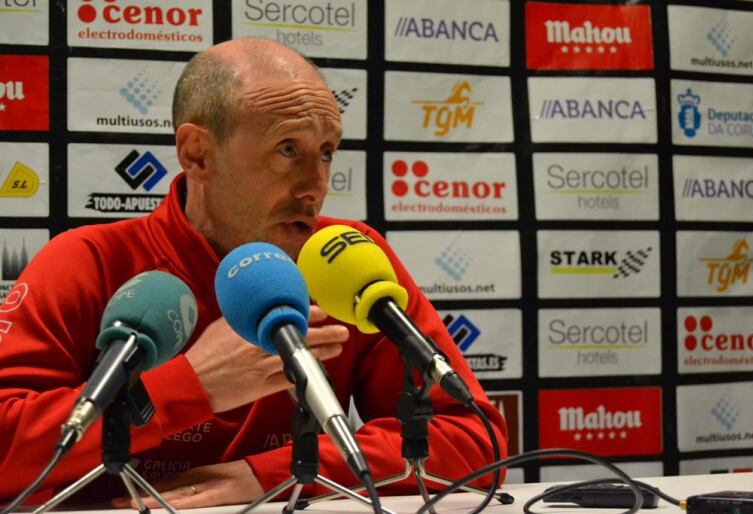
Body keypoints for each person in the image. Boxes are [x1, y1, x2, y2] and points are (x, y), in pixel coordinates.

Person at [0, 38, 506, 509]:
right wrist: (189, 387)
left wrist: (278, 474)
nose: (316, 185)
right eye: (288, 150)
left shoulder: (345, 257)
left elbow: (472, 435)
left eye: (327, 152)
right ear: (197, 153)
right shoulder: (88, 260)